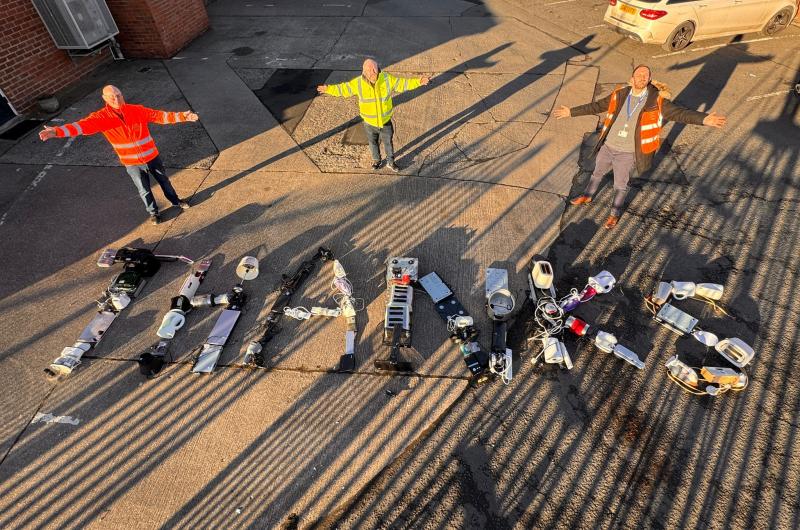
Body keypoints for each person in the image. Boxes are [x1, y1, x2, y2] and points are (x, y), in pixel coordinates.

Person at [553, 65, 726, 229]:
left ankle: (614, 213)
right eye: (639, 75)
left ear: (650, 79)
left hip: (627, 152)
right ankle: (587, 196)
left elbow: (679, 114)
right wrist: (571, 112)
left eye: (646, 75)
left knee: (620, 185)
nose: (642, 77)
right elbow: (597, 106)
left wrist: (703, 119)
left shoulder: (656, 101)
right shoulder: (619, 95)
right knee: (597, 173)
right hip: (608, 146)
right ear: (632, 78)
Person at [39, 85, 199, 225]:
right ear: (104, 98)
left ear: (122, 95)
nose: (116, 99)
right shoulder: (101, 118)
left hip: (152, 157)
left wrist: (184, 116)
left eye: (118, 95)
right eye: (111, 96)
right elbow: (81, 126)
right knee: (144, 190)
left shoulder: (136, 110)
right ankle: (154, 213)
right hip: (132, 163)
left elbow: (160, 116)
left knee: (165, 182)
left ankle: (176, 201)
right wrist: (56, 131)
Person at [317, 59, 430, 172]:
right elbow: (344, 89)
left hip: (385, 121)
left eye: (374, 69)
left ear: (378, 68)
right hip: (369, 123)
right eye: (368, 70)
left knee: (388, 143)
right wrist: (329, 89)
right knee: (373, 143)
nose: (372, 72)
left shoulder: (386, 79)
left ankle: (391, 162)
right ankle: (377, 161)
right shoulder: (358, 83)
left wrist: (419, 81)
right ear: (363, 72)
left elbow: (403, 84)